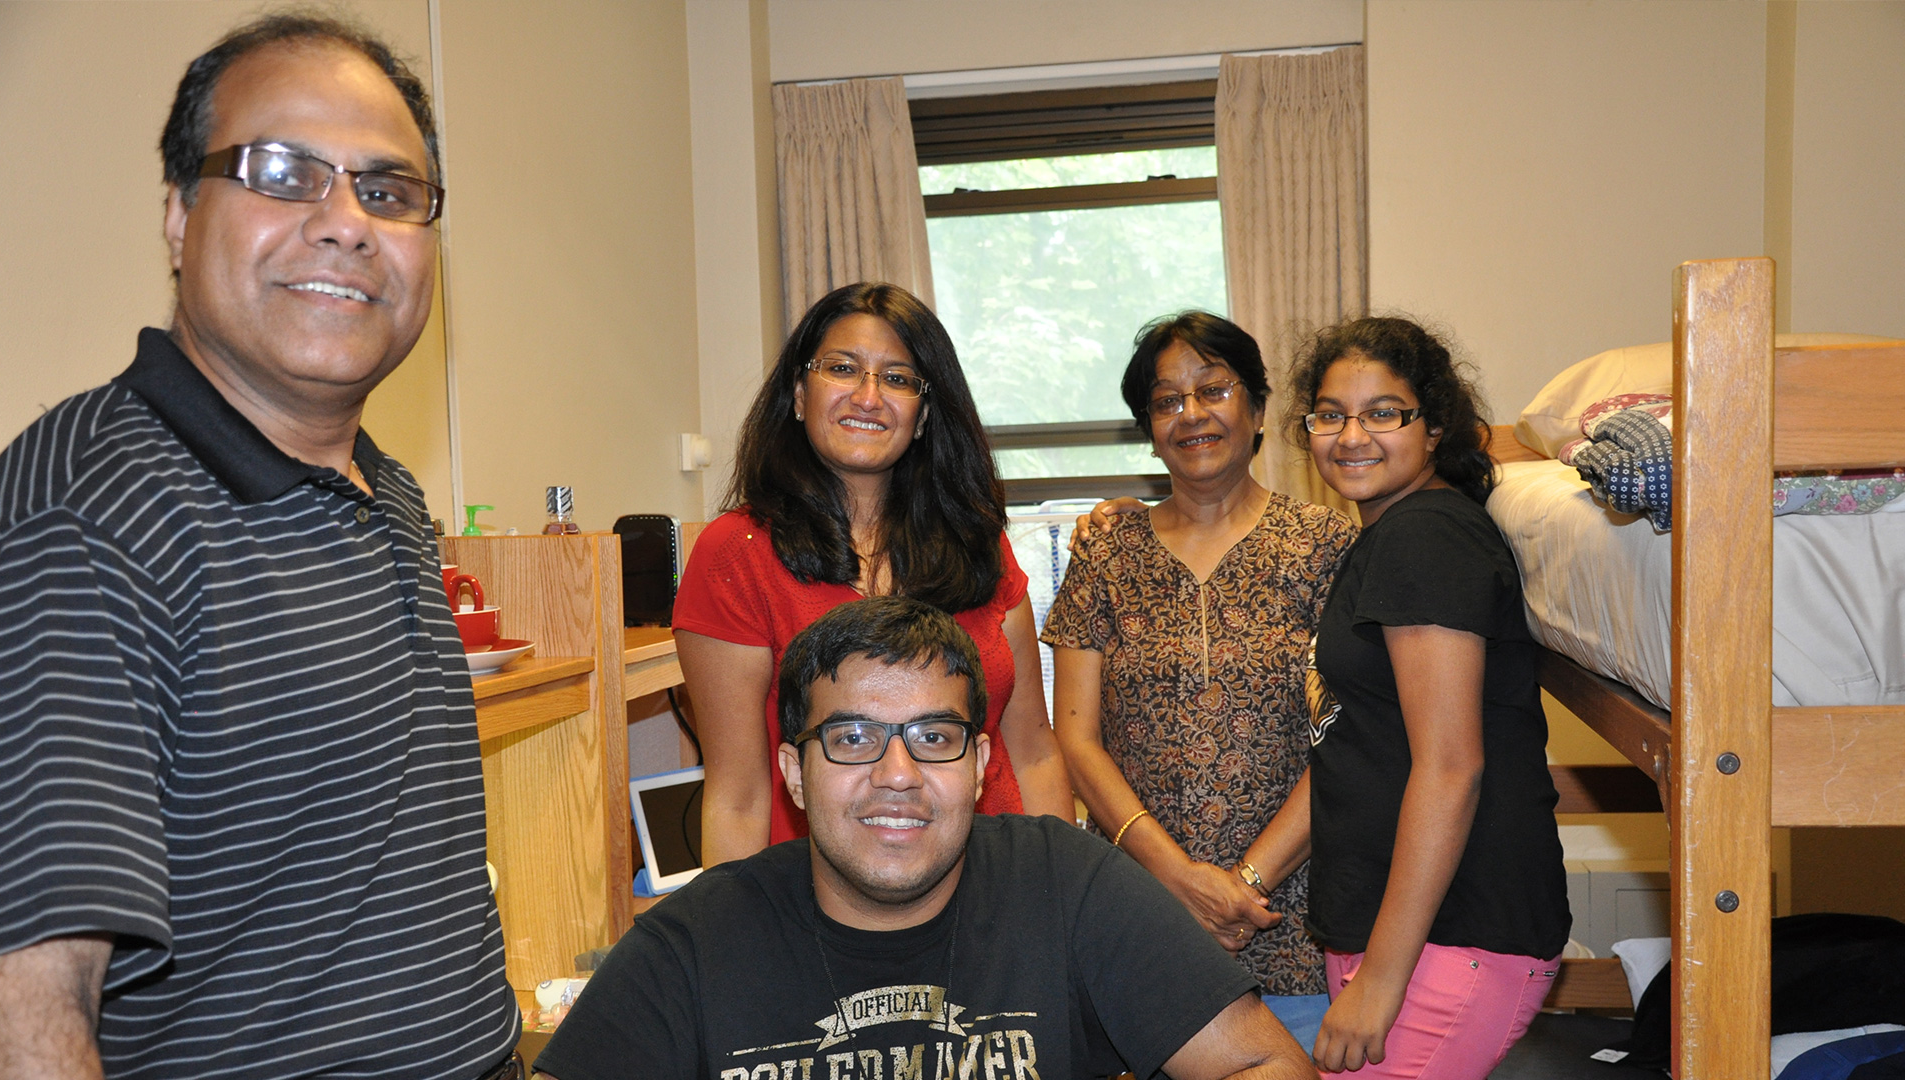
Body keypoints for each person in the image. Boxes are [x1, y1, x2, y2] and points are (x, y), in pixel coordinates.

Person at [0, 15, 520, 1079]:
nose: (345, 224)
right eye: (282, 173)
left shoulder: (387, 491)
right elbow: (22, 1012)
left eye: (388, 191)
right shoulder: (85, 523)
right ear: (181, 215)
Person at [532, 597, 1317, 1080]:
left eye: (933, 737)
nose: (898, 773)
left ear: (978, 765)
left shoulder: (1065, 883)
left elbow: (1265, 1063)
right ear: (794, 775)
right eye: (851, 739)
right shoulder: (696, 939)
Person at [1259, 317, 1571, 1078]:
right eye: (1329, 415)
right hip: (1400, 932)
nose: (1351, 435)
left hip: (1452, 937)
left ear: (1433, 428)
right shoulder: (1389, 536)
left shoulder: (1425, 538)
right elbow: (1353, 745)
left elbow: (1450, 766)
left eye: (1383, 413)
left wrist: (1382, 984)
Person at [673, 282, 1072, 865]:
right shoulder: (737, 554)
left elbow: (1034, 751)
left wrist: (1061, 904)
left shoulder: (977, 542)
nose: (868, 396)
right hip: (826, 907)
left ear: (925, 411)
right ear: (800, 394)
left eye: (898, 378)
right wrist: (733, 947)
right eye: (842, 368)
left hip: (997, 883)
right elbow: (738, 796)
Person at [1041, 312, 1356, 1050]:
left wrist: (1244, 886)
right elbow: (1076, 738)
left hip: (1294, 920)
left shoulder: (1326, 546)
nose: (1191, 415)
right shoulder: (1107, 551)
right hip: (1140, 909)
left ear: (1256, 408)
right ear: (1148, 427)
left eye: (1212, 390)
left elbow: (1348, 740)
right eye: (1165, 400)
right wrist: (1178, 879)